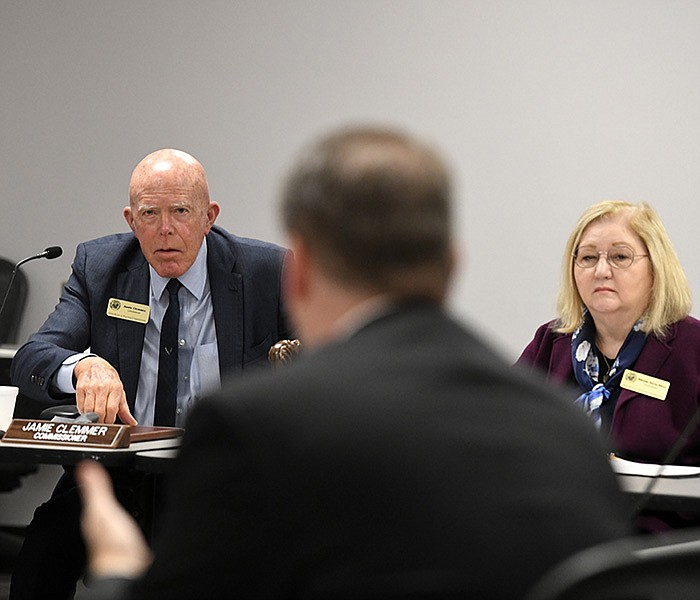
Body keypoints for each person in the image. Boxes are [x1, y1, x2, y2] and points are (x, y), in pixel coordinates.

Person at [75, 127, 630, 600]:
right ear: (451, 263)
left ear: (301, 271)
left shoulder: (249, 428)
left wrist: (117, 571)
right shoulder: (565, 428)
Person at [9, 148, 292, 599]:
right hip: (123, 472)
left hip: (226, 475)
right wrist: (82, 366)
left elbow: (323, 362)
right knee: (42, 553)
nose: (165, 229)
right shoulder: (100, 269)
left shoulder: (266, 272)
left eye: (181, 211)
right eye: (149, 213)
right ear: (130, 219)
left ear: (208, 216)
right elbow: (32, 356)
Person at [517, 200, 699, 531]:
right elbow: (507, 435)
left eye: (620, 257)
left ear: (655, 267)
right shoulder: (550, 342)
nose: (601, 270)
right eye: (588, 258)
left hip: (664, 549)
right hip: (560, 535)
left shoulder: (693, 348)